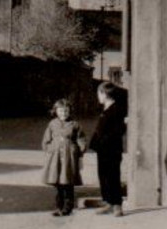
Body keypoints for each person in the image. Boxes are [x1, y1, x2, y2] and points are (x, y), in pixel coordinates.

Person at [41, 98, 86, 217]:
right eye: (61, 111)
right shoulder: (52, 124)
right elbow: (46, 140)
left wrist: (79, 151)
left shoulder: (75, 124)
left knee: (68, 182)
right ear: (55, 111)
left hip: (69, 157)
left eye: (66, 111)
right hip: (55, 157)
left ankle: (68, 207)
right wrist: (50, 150)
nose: (63, 114)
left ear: (70, 111)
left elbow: (81, 139)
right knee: (58, 182)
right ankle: (59, 206)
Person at [88, 81, 127, 216]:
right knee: (103, 175)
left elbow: (119, 130)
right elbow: (99, 130)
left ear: (104, 94)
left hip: (112, 149)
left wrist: (103, 141)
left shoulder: (116, 109)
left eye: (99, 94)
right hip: (103, 149)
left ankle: (117, 204)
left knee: (113, 176)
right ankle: (108, 202)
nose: (97, 97)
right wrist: (94, 144)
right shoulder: (106, 109)